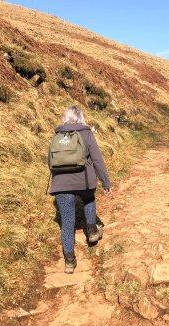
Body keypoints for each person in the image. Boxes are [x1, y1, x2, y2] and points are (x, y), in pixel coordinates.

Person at [49, 106, 112, 274]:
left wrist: (58, 183)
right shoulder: (87, 133)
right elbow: (97, 160)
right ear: (81, 118)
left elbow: (52, 162)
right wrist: (106, 182)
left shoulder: (57, 135)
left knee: (67, 221)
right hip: (84, 181)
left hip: (61, 184)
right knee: (88, 199)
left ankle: (69, 261)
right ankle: (91, 232)